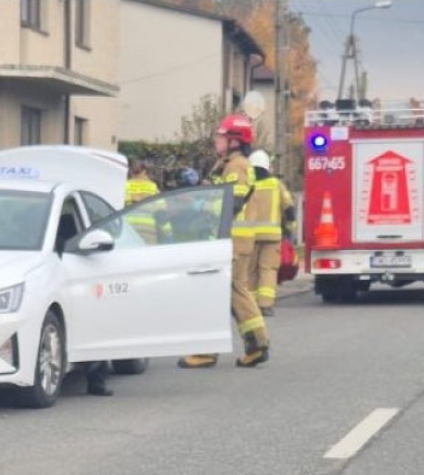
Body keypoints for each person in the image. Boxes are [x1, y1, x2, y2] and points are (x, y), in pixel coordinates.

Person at [178, 113, 270, 369]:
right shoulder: (230, 164)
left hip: (229, 240)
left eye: (221, 136)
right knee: (234, 292)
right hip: (232, 241)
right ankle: (256, 343)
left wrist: (202, 205)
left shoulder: (237, 165)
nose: (216, 140)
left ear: (234, 140)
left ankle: (207, 351)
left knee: (212, 293)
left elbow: (232, 202)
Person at [245, 150, 296, 316]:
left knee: (250, 271)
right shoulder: (275, 184)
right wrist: (290, 229)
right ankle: (265, 305)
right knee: (268, 269)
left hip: (249, 236)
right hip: (272, 237)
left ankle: (250, 305)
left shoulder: (246, 185)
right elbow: (288, 208)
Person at [125, 160, 163, 243]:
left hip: (128, 227)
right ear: (144, 171)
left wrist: (134, 199)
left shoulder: (125, 185)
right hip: (148, 227)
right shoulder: (152, 186)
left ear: (130, 171)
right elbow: (161, 208)